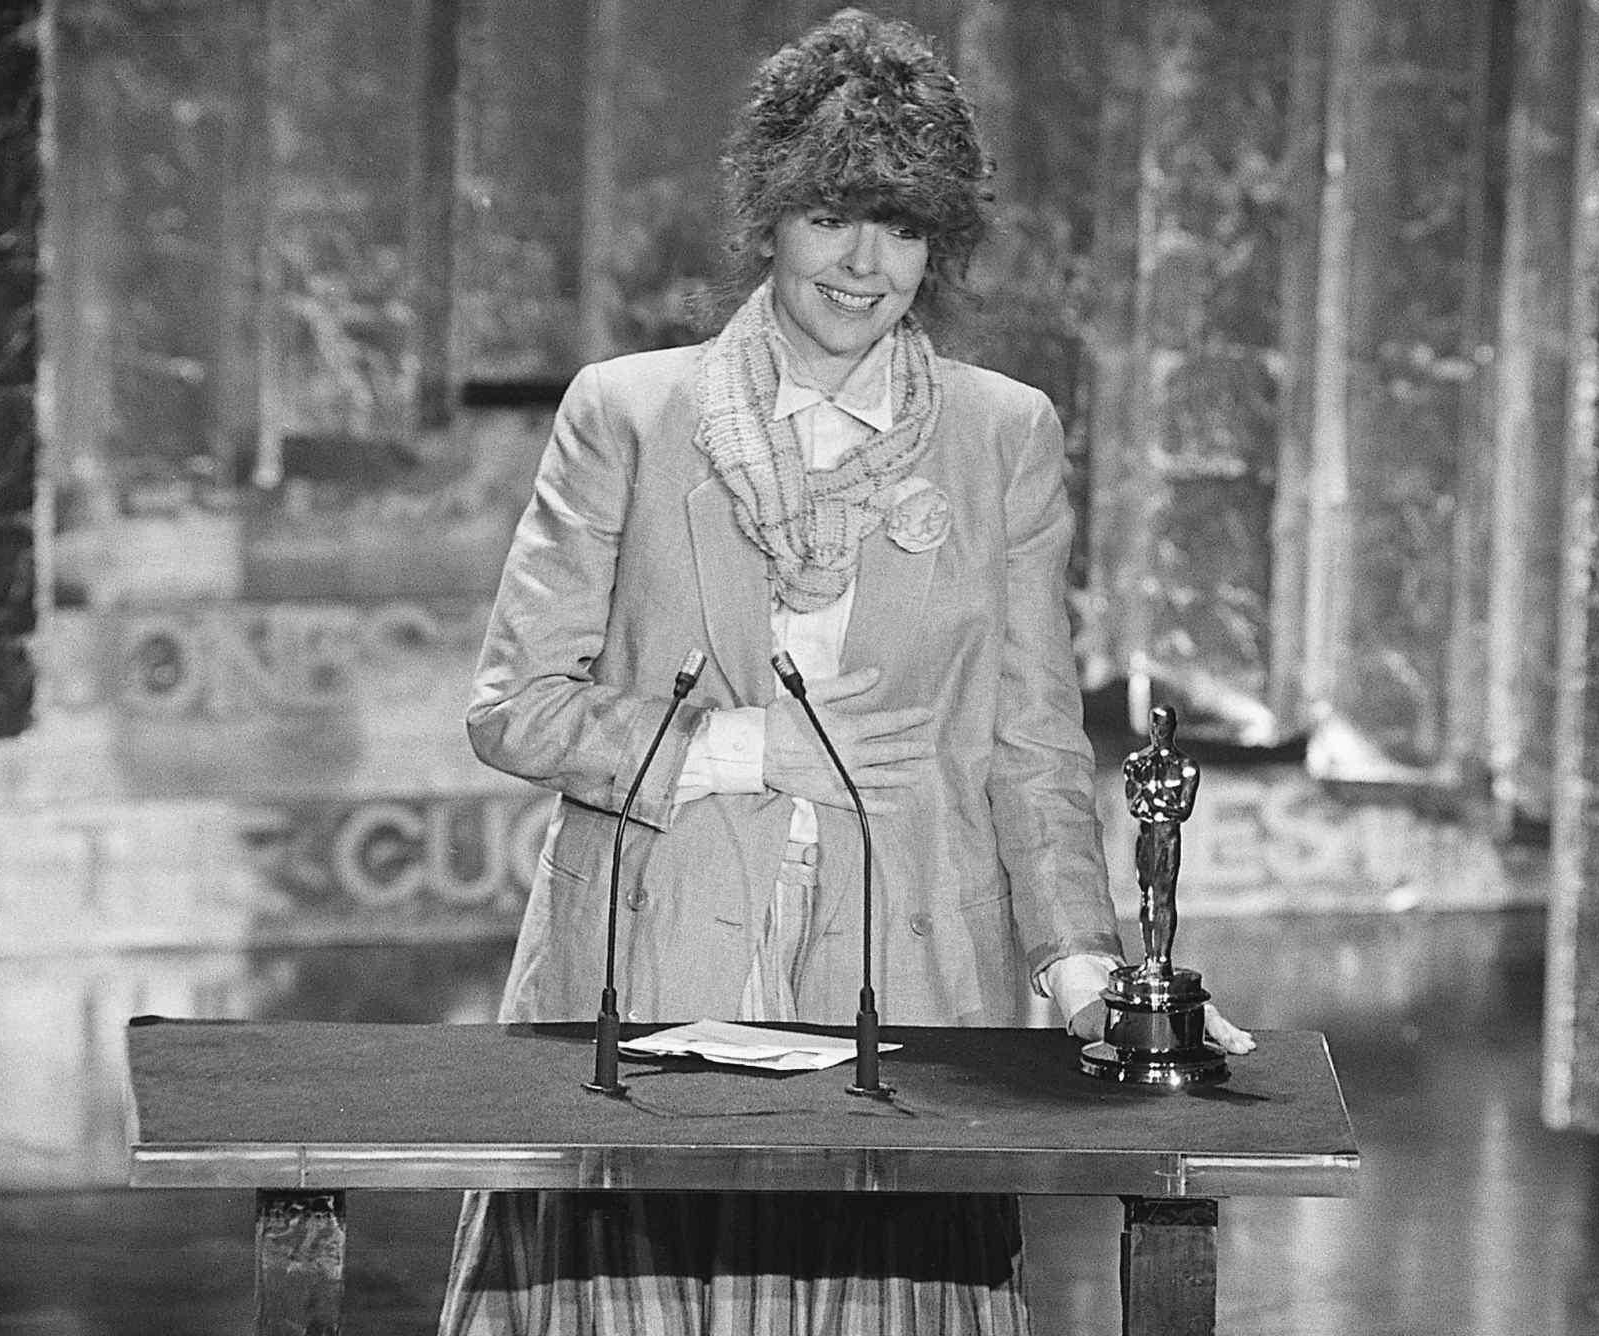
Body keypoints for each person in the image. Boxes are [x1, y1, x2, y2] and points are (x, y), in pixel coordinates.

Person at [440, 11, 1251, 1333]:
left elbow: (1032, 739)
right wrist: (747, 749)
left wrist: (1079, 970)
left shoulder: (1002, 438)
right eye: (833, 217)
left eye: (903, 225)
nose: (866, 263)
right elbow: (512, 710)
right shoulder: (631, 414)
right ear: (767, 220)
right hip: (650, 979)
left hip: (904, 983)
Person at [1123, 704, 1199, 980]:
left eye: (1163, 726)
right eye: (1154, 725)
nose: (1158, 732)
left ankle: (1162, 960)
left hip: (1167, 838)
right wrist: (1158, 804)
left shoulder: (1185, 767)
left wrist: (1152, 802)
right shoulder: (1136, 763)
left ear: (1173, 727)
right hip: (1146, 837)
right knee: (1147, 898)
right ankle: (1150, 958)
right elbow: (1134, 805)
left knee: (1164, 898)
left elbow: (1183, 810)